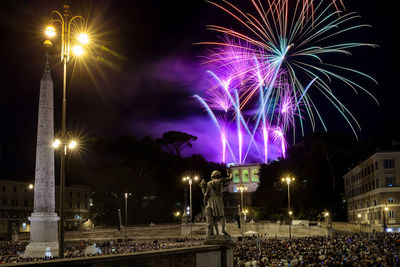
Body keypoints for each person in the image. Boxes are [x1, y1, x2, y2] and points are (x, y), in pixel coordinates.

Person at [200, 169, 232, 236]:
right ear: (218, 175)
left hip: (211, 200)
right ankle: (223, 230)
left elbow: (206, 194)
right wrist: (229, 172)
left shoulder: (209, 183)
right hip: (218, 199)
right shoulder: (220, 180)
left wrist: (204, 200)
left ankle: (217, 232)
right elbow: (230, 178)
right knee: (222, 216)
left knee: (214, 217)